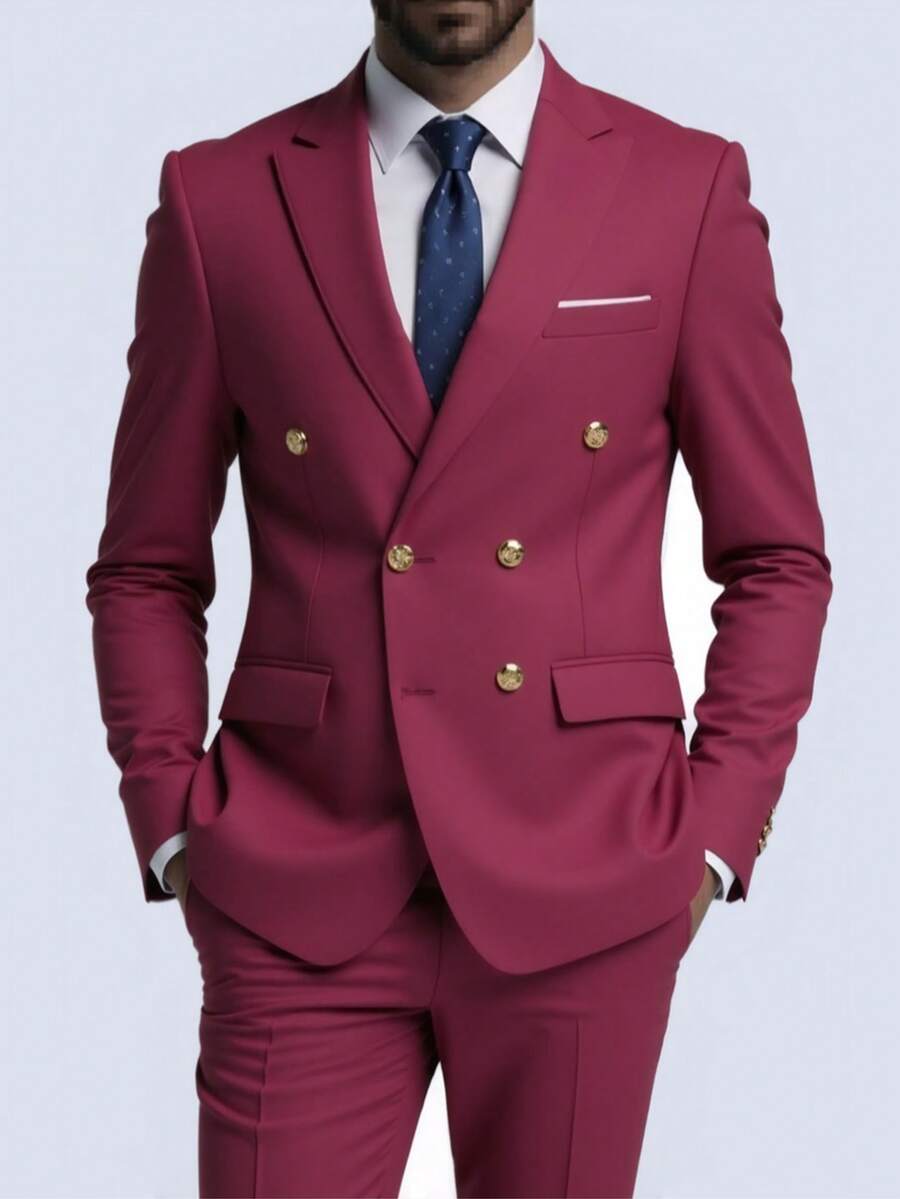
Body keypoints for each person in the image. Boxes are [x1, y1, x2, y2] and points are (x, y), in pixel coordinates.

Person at [85, 2, 832, 1195]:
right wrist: (172, 821)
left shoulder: (683, 189)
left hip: (590, 870)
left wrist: (714, 832)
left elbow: (778, 554)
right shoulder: (220, 198)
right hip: (295, 872)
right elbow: (146, 564)